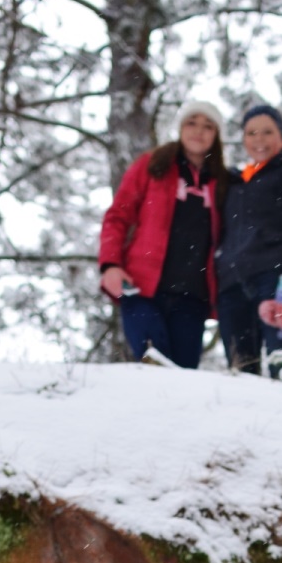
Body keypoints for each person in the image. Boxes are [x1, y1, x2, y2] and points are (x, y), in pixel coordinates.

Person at [98, 99, 227, 369]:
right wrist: (110, 265)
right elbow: (118, 216)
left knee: (182, 378)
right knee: (153, 363)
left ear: (216, 136)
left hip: (192, 299)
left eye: (208, 126)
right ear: (179, 128)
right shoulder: (153, 165)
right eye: (191, 123)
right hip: (140, 286)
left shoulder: (223, 183)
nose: (198, 131)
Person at [216, 103, 282, 376]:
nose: (259, 139)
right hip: (231, 284)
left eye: (267, 132)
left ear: (281, 136)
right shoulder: (233, 182)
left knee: (281, 364)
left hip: (273, 279)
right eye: (251, 133)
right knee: (241, 368)